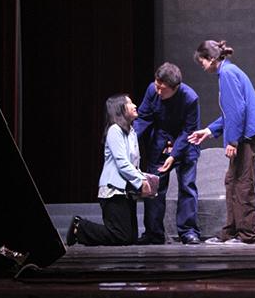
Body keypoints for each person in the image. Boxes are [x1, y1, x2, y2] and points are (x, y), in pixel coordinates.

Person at [188, 40, 255, 245]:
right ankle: (232, 232)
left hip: (247, 135)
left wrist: (232, 141)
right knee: (233, 181)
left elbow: (237, 111)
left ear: (211, 59)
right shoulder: (228, 72)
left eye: (202, 62)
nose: (202, 67)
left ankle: (247, 235)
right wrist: (209, 131)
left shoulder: (227, 73)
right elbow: (230, 112)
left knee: (242, 183)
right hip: (247, 132)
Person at [66, 94, 155, 246]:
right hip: (114, 190)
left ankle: (82, 229)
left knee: (130, 238)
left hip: (126, 192)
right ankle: (80, 227)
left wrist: (146, 181)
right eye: (129, 103)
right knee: (121, 236)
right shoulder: (115, 130)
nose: (135, 106)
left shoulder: (131, 132)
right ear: (120, 109)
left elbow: (133, 164)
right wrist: (141, 181)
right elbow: (122, 163)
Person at [133, 62, 201, 245]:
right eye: (157, 86)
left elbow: (188, 131)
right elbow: (143, 117)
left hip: (185, 146)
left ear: (175, 87)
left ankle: (188, 232)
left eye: (162, 89)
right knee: (154, 187)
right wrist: (130, 139)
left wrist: (174, 155)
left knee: (187, 187)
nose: (158, 91)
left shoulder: (190, 98)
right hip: (160, 143)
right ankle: (153, 233)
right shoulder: (152, 90)